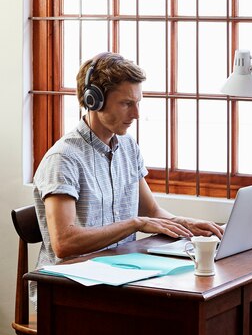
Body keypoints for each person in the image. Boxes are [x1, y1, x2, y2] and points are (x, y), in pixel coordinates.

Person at [33, 53, 223, 269]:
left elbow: (150, 211)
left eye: (137, 103)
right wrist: (134, 224)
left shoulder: (127, 146)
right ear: (93, 101)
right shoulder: (64, 159)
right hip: (70, 286)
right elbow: (64, 243)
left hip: (119, 272)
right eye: (126, 104)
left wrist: (186, 224)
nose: (136, 114)